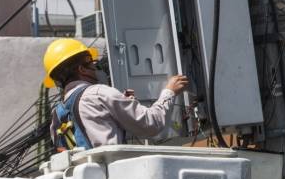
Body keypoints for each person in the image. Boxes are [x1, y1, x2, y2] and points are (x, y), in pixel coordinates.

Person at [43, 38, 189, 150]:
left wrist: (120, 105)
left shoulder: (57, 116)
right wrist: (170, 91)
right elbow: (150, 124)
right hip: (111, 177)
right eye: (93, 64)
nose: (96, 69)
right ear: (82, 69)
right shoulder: (98, 93)